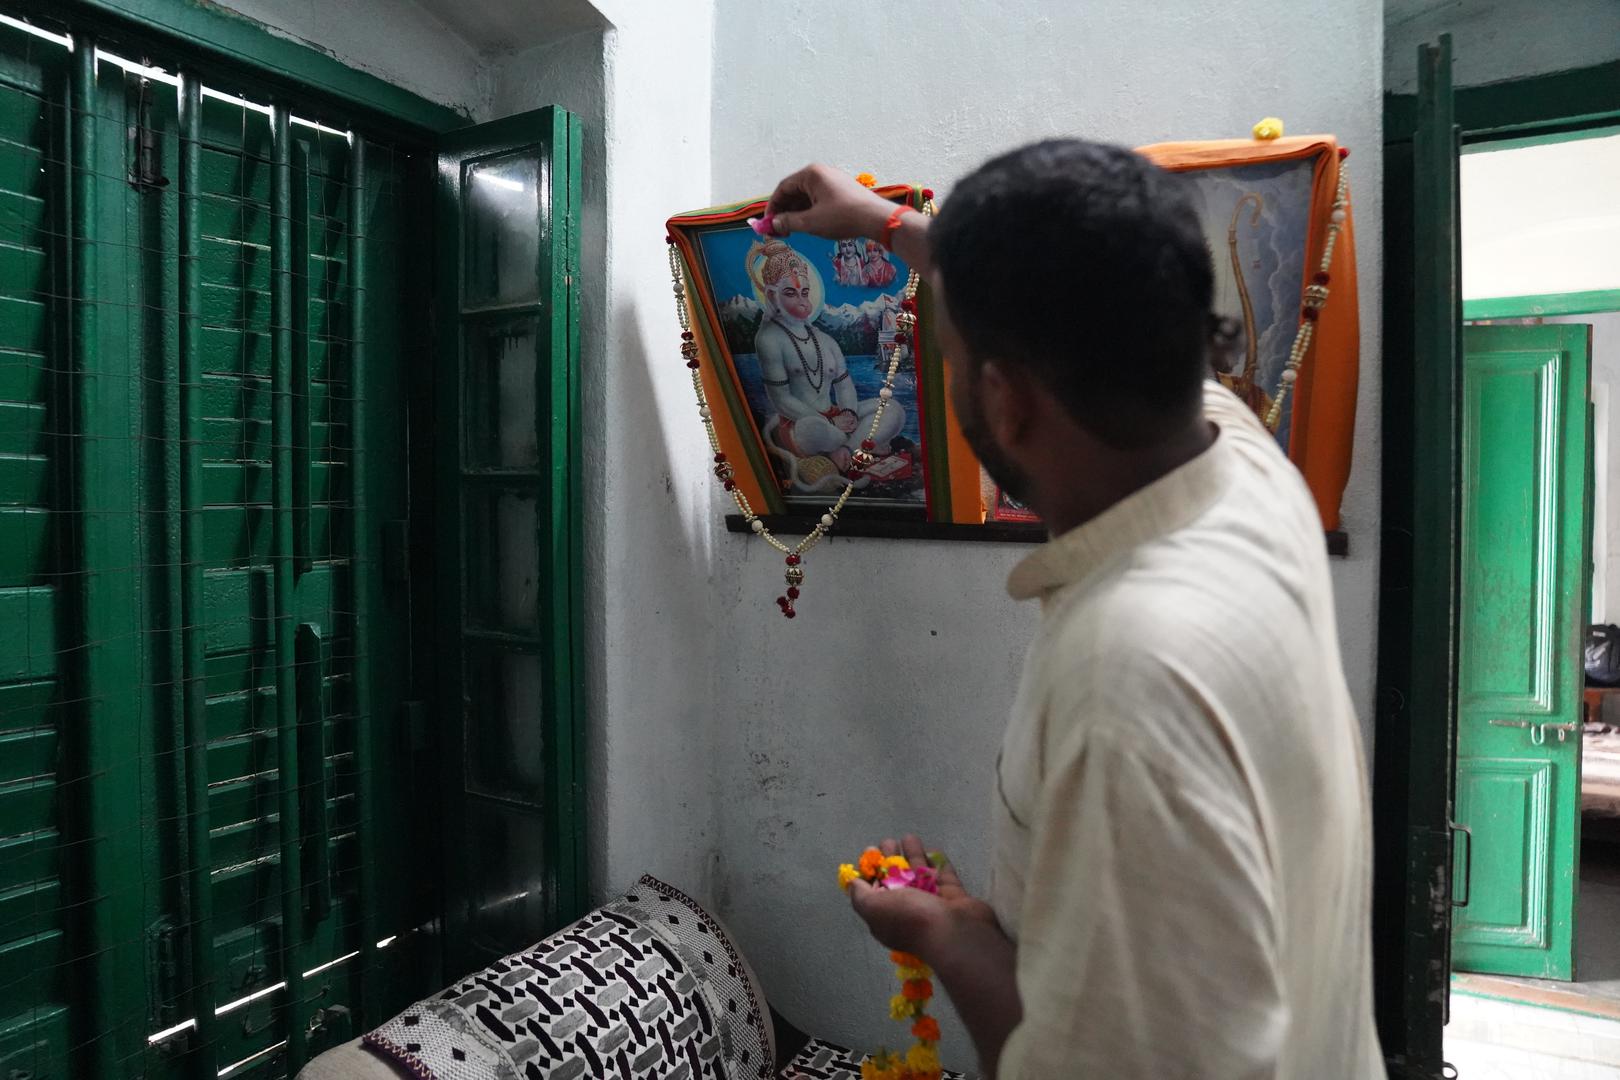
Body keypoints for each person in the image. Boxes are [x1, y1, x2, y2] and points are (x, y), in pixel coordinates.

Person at [763, 143, 1384, 1078]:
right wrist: (887, 224)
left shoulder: (1127, 676)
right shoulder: (1240, 458)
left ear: (1007, 403)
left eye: (949, 350)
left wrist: (954, 937)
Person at [748, 237, 904, 475]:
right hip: (802, 424)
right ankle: (855, 445)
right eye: (791, 293)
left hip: (836, 417)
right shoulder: (769, 339)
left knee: (892, 408)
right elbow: (780, 399)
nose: (802, 301)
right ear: (771, 296)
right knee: (815, 428)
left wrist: (849, 413)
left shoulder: (825, 339)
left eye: (805, 292)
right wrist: (831, 423)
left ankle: (848, 450)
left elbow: (844, 387)